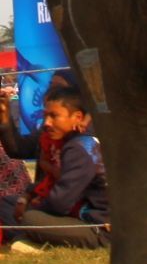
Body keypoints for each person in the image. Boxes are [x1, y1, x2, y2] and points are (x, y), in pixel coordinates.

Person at [0, 83, 109, 249]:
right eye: (45, 116)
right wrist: (27, 197)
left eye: (54, 116)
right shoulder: (53, 138)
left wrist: (31, 205)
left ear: (78, 118)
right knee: (8, 203)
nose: (47, 122)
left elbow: (60, 202)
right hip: (70, 208)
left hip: (99, 226)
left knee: (30, 218)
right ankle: (30, 235)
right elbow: (18, 149)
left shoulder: (79, 147)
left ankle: (30, 238)